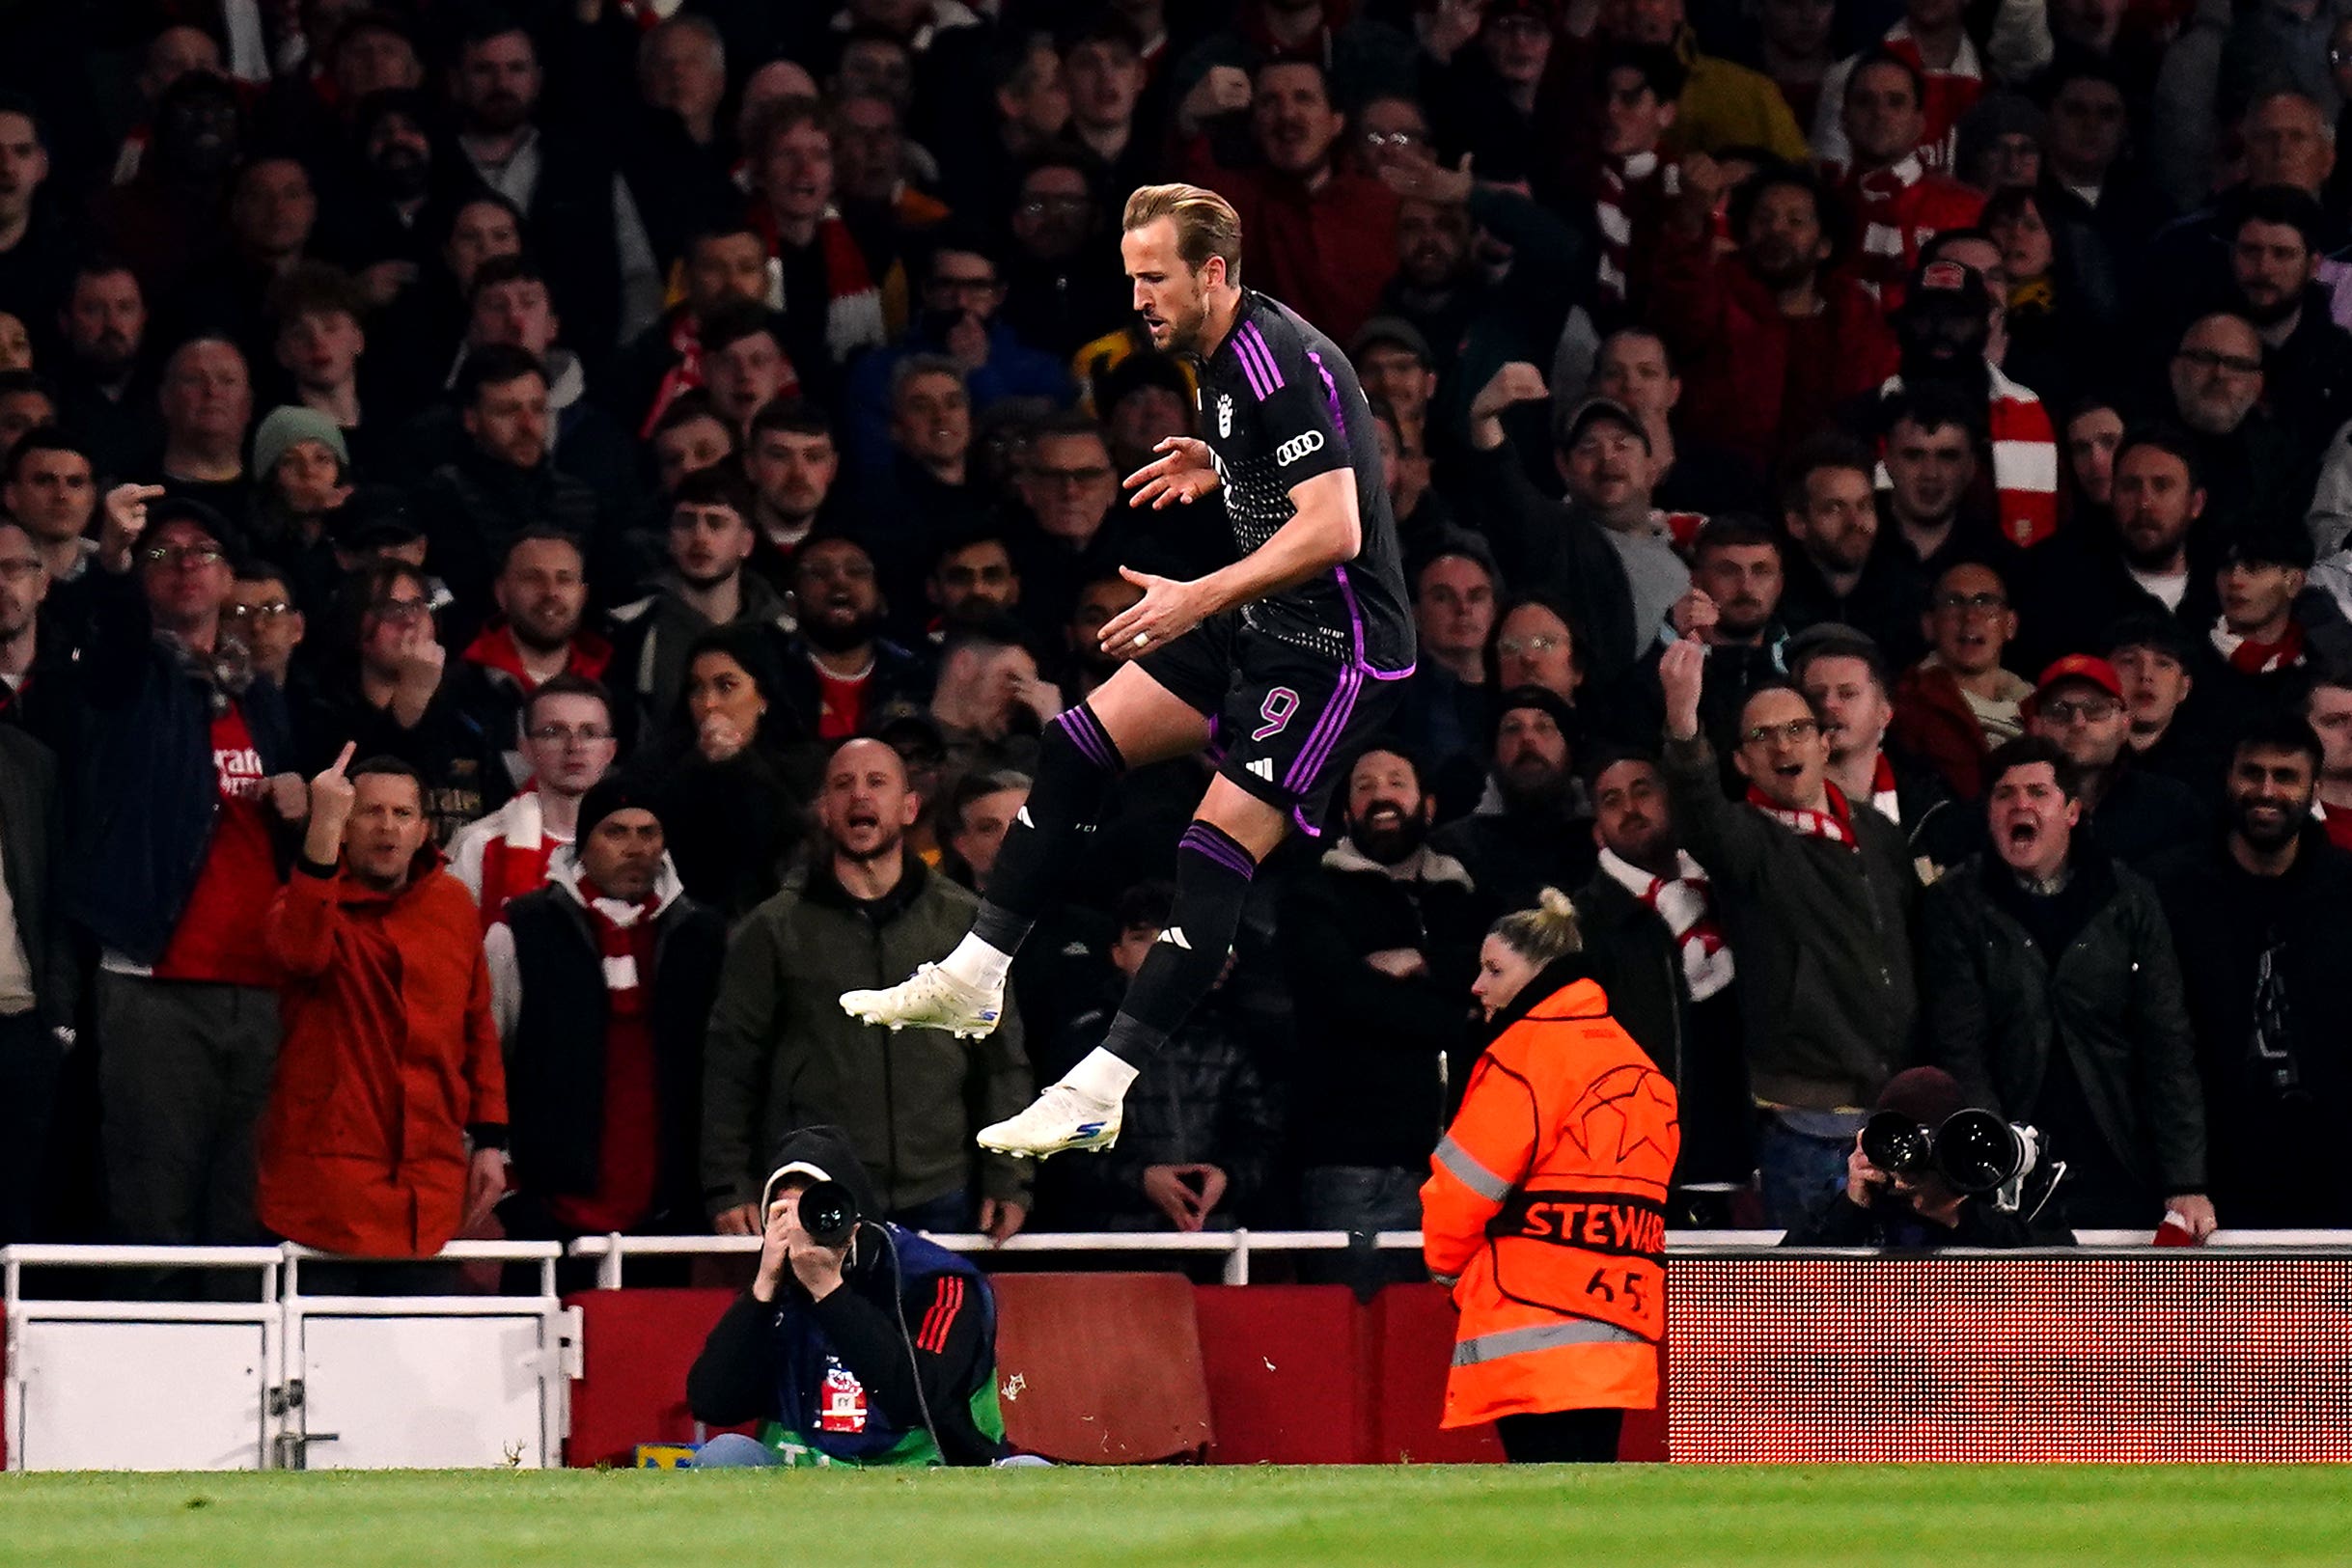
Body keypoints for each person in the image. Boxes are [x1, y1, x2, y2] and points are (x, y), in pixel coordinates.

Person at [842, 183, 1414, 1161]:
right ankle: (977, 975)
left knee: (1208, 851)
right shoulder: (1226, 355)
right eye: (1131, 278)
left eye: (1154, 277)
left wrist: (1195, 596)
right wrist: (1226, 465)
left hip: (1336, 650)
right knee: (1075, 744)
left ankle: (1100, 1086)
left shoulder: (1269, 362)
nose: (1139, 297)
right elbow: (1309, 465)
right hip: (1264, 616)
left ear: (1212, 273)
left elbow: (1337, 525)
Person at [73, 487, 305, 1254]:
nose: (183, 569)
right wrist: (108, 560)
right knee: (153, 1216)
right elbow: (103, 643)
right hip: (155, 977)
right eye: (162, 555)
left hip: (261, 981)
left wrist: (296, 804)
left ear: (229, 577)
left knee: (245, 1219)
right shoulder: (129, 678)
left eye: (203, 553)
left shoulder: (260, 696)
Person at [706, 739, 1035, 1238]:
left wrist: (1010, 1179)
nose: (860, 796)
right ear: (824, 809)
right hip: (814, 1191)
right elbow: (732, 1063)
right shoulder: (772, 930)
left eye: (876, 782)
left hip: (944, 1191)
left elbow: (1002, 1060)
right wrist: (728, 1185)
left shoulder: (967, 922)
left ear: (909, 807)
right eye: (843, 784)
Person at [1656, 639, 1920, 1225]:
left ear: (1825, 743)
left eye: (1798, 729)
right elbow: (1698, 805)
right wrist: (1682, 722)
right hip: (1804, 1119)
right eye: (1761, 736)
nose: (1783, 744)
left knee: (1907, 1308)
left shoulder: (1876, 833)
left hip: (1892, 1108)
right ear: (1741, 763)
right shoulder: (1745, 838)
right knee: (1814, 1306)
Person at [1422, 890, 1678, 1464]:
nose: (1478, 986)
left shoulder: (1522, 1057)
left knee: (1541, 1525)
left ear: (1542, 973)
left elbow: (1459, 1194)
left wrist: (1447, 1274)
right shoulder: (1639, 1063)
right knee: (1592, 1517)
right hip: (1619, 1326)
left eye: (1494, 970)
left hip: (1530, 1325)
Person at [1920, 737, 2214, 1235]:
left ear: (2072, 811)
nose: (2020, 805)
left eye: (2038, 792)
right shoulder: (1955, 905)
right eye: (2004, 794)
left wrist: (2184, 1178)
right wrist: (1994, 1169)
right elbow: (1960, 1048)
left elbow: (2167, 1044)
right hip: (2010, 1173)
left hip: (2118, 1160)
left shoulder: (2129, 900)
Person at [257, 749, 508, 1263]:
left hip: (432, 1195)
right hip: (324, 1202)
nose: (387, 827)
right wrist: (319, 832)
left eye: (402, 814)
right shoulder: (301, 903)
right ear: (343, 828)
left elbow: (476, 1027)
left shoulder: (453, 905)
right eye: (370, 812)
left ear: (424, 830)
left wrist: (489, 1140)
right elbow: (302, 953)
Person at [686, 1126, 1011, 1467]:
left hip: (927, 1476)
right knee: (723, 1455)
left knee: (1026, 1472)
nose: (802, 1231)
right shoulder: (776, 1292)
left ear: (857, 1215)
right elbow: (712, 1403)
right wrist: (763, 1287)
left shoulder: (939, 1281)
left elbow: (918, 1400)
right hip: (802, 1481)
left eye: (817, 1210)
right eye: (784, 1215)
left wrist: (829, 1290)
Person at [486, 780, 725, 1241]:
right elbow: (483, 1059)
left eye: (648, 832)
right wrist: (505, 1181)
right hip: (545, 1206)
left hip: (669, 1209)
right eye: (616, 832)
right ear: (583, 844)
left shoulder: (703, 936)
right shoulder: (520, 931)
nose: (635, 847)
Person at [1280, 744, 1488, 1261]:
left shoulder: (1465, 896)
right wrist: (1458, 1016)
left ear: (1429, 805)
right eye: (1364, 786)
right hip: (1355, 1167)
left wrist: (1422, 960)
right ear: (1347, 812)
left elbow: (1505, 972)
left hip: (1473, 1167)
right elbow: (1345, 999)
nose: (1381, 796)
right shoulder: (1314, 893)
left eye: (1396, 781)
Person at [2151, 716, 2352, 1226]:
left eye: (2285, 776)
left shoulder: (2345, 889)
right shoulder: (2168, 889)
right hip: (2209, 1168)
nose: (2265, 791)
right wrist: (2183, 1175)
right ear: (2228, 777)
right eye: (2252, 773)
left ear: (2312, 788)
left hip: (2332, 1164)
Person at [1046, 880, 1282, 1233]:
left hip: (1214, 1239)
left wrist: (1226, 1179)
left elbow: (1261, 1142)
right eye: (1143, 939)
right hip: (1113, 1245)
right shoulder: (1084, 1043)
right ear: (1117, 953)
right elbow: (1061, 1151)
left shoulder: (1229, 1040)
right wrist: (1141, 1181)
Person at [1575, 749, 1751, 1219]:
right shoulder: (1582, 926)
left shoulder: (1732, 888)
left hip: (1753, 1159)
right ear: (1597, 831)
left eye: (1642, 791)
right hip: (1641, 1173)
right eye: (1611, 800)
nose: (1630, 807)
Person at [1779, 1065, 2045, 1246]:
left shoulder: (1984, 1186)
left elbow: (2060, 1280)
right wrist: (1850, 1208)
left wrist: (1954, 1214)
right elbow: (1780, 1292)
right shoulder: (1862, 1191)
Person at [448, 675, 619, 929]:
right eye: (554, 732)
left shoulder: (641, 849)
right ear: (526, 748)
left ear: (609, 751)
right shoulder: (478, 845)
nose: (574, 746)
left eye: (589, 732)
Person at [2025, 654, 2207, 866]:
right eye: (2058, 710)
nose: (2078, 722)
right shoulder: (2006, 807)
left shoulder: (2172, 807)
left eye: (2096, 709)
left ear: (2125, 724)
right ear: (2035, 726)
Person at [0, 722, 70, 1245]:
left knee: (15, 1216)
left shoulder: (30, 762)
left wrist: (60, 1017)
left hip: (19, 1019)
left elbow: (58, 894)